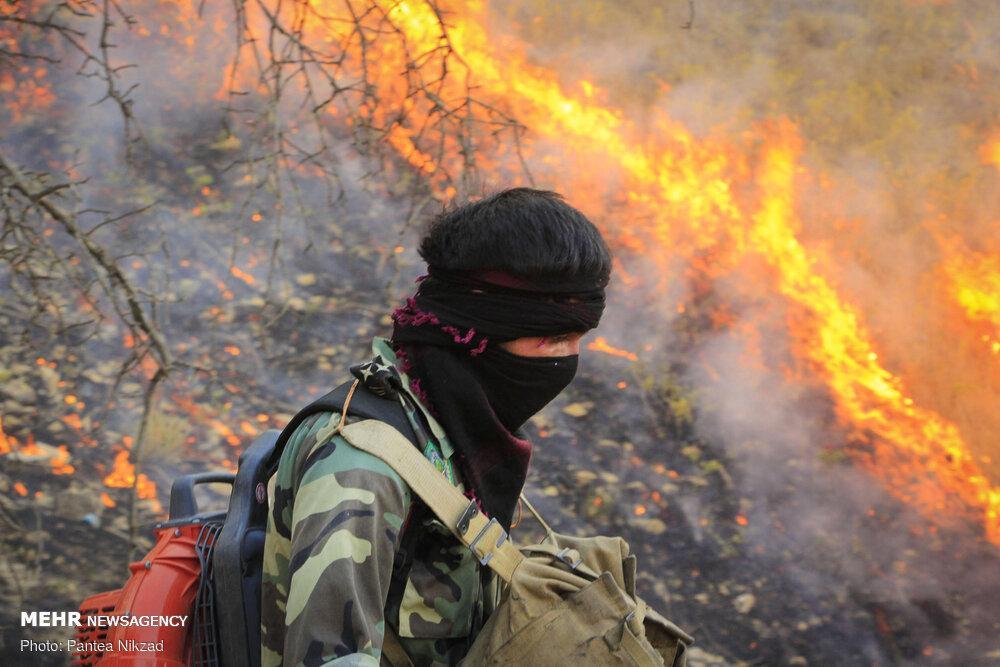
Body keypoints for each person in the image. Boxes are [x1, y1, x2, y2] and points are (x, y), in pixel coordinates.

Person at [260, 187, 612, 666]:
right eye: (555, 338)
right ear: (480, 329)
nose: (569, 360)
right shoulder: (361, 467)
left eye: (578, 339)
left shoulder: (454, 430)